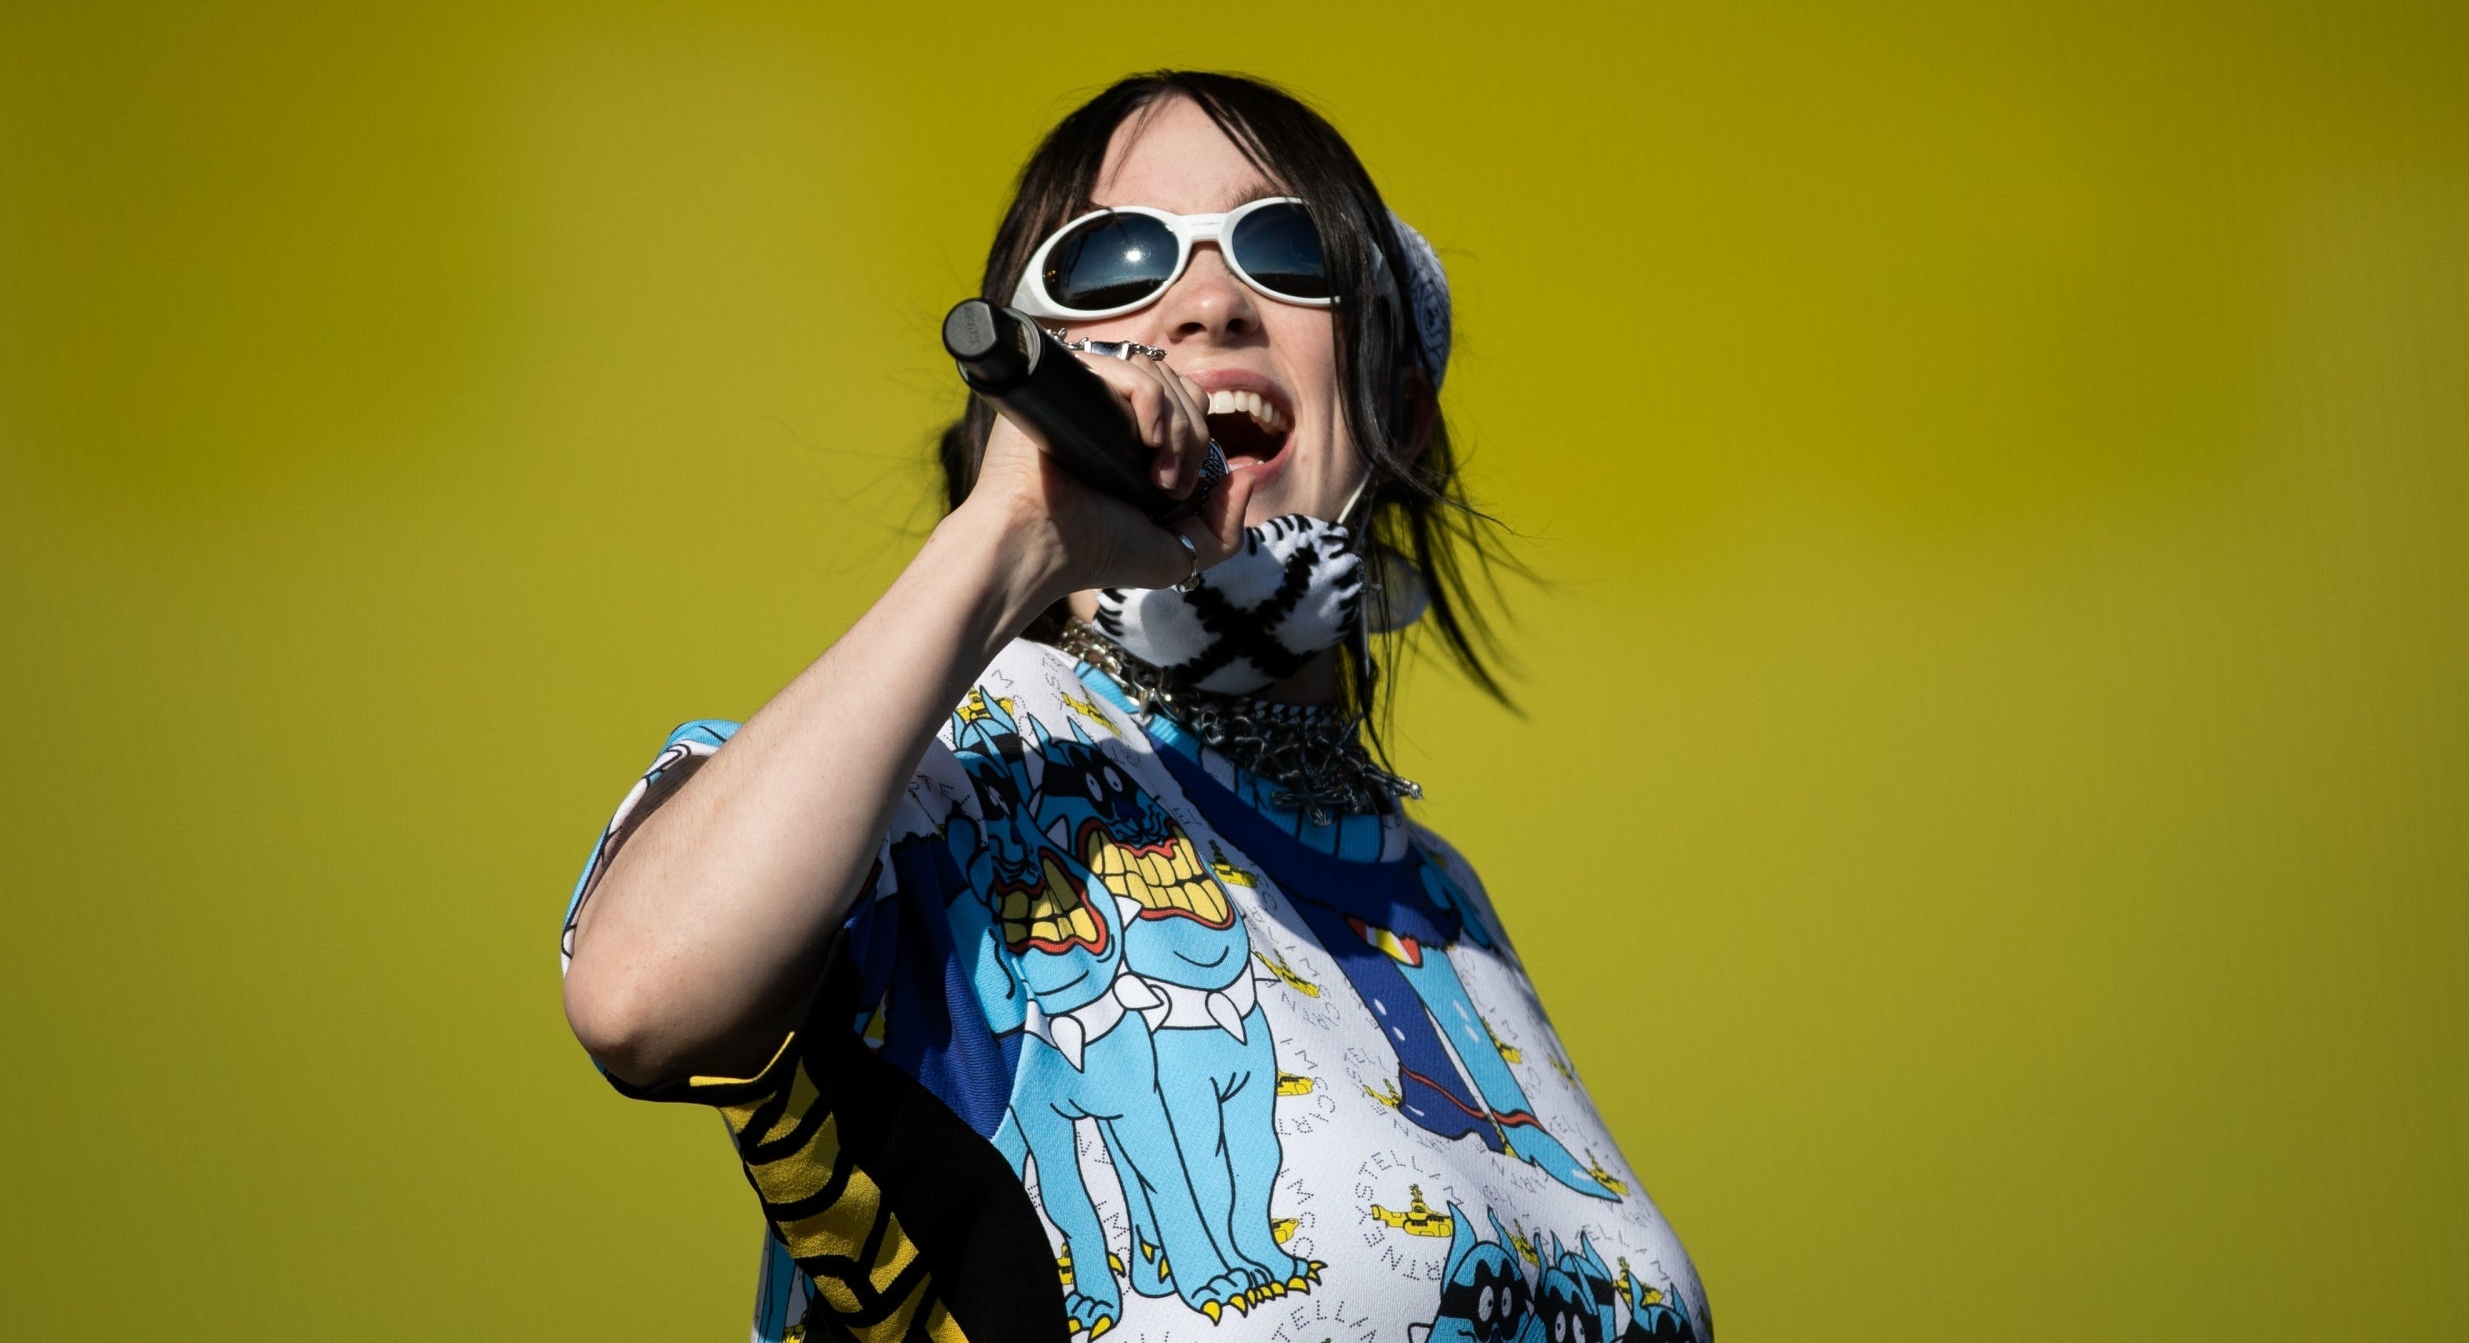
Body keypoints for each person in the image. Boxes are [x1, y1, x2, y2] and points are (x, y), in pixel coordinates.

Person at [559, 72, 1711, 1343]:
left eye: (1290, 249)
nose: (1209, 300)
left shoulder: (1441, 903)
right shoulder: (965, 765)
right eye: (1111, 263)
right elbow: (639, 995)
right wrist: (1008, 538)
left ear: (1407, 408)